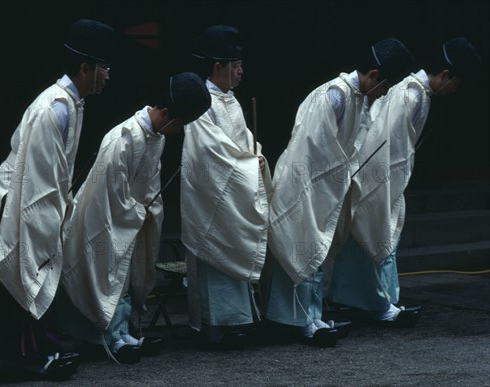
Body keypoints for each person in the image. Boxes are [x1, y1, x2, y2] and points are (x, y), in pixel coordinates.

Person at [0, 19, 114, 380]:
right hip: (22, 200)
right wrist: (52, 215)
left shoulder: (71, 104)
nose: (108, 75)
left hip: (35, 195)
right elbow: (39, 178)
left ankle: (38, 350)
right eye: (104, 68)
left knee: (31, 276)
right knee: (19, 273)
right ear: (84, 68)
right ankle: (30, 355)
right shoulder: (54, 109)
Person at [263, 38, 415, 347]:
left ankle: (311, 314)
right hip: (304, 182)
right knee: (301, 245)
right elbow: (312, 149)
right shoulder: (334, 96)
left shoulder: (358, 98)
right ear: (373, 75)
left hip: (325, 185)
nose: (386, 93)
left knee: (315, 250)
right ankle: (298, 320)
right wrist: (339, 175)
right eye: (386, 85)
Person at [325, 37, 482, 326]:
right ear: (445, 76)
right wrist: (384, 186)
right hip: (379, 176)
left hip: (386, 176)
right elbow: (384, 145)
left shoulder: (417, 92)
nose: (455, 90)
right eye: (456, 83)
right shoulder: (411, 95)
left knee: (375, 238)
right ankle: (377, 302)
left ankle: (360, 298)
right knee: (378, 235)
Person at [56, 72, 211, 364]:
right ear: (166, 113)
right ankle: (106, 336)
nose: (179, 132)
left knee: (127, 275)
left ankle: (123, 330)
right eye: (180, 124)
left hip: (131, 220)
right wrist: (138, 211)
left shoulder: (157, 138)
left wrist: (148, 211)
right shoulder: (123, 140)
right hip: (104, 222)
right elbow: (108, 195)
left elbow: (151, 185)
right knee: (109, 274)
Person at [181, 25, 273, 349]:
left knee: (236, 251)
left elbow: (243, 139)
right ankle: (216, 325)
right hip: (212, 196)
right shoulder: (200, 102)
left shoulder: (229, 100)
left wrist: (256, 156)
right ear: (217, 66)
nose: (241, 71)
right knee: (215, 257)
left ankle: (240, 321)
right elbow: (208, 152)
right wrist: (246, 164)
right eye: (235, 65)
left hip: (235, 186)